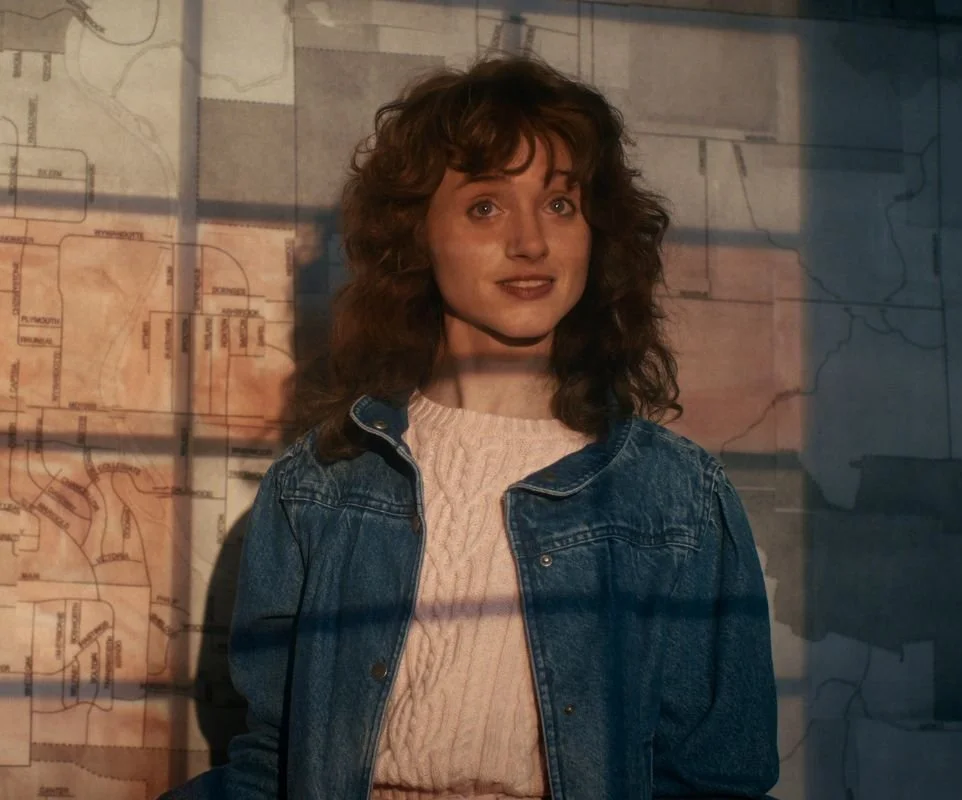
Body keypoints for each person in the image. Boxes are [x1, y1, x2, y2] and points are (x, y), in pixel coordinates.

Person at [161, 51, 779, 800]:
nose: (531, 242)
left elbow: (715, 781)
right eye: (486, 206)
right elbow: (271, 763)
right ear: (417, 235)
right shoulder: (319, 485)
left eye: (560, 204)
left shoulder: (678, 498)